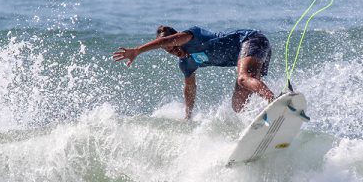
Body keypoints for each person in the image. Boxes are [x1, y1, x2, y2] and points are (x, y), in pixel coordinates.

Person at [113, 25, 275, 118]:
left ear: (178, 38)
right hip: (247, 53)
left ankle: (275, 101)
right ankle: (266, 118)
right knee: (238, 106)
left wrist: (138, 50)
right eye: (169, 51)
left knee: (242, 78)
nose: (174, 51)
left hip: (251, 40)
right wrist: (188, 115)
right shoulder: (186, 63)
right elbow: (190, 88)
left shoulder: (192, 35)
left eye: (174, 45)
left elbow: (165, 40)